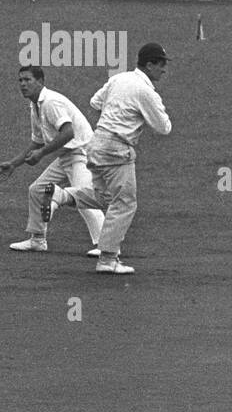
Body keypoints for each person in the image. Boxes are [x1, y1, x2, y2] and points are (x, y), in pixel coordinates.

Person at [48, 43, 172, 275]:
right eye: (162, 64)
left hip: (96, 143)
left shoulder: (119, 79)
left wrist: (118, 109)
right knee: (125, 202)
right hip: (117, 149)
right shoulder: (146, 92)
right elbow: (164, 127)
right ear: (150, 64)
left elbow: (95, 101)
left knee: (106, 197)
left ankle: (61, 195)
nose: (164, 70)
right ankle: (108, 258)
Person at [0, 66, 105, 258]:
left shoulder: (51, 102)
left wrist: (42, 153)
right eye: (20, 80)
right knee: (37, 189)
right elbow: (37, 141)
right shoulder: (34, 105)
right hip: (66, 155)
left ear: (40, 82)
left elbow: (68, 132)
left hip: (83, 153)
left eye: (27, 80)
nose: (22, 84)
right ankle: (37, 240)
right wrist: (14, 163)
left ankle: (105, 245)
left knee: (84, 197)